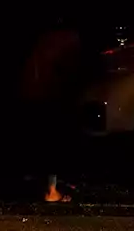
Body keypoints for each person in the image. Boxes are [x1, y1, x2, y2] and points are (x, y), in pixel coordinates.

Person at [19, 15, 84, 203]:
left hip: (30, 91)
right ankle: (51, 190)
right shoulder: (69, 38)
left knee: (39, 139)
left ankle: (36, 181)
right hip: (50, 92)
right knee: (53, 142)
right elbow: (71, 68)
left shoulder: (42, 38)